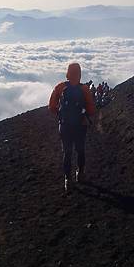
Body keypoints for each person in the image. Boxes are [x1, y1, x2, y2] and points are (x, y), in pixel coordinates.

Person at [48, 63, 96, 192]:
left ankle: (67, 180)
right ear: (79, 74)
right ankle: (80, 174)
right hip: (80, 125)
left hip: (65, 125)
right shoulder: (84, 89)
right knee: (80, 150)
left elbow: (51, 106)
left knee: (67, 152)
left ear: (68, 73)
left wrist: (60, 114)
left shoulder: (60, 87)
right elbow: (91, 110)